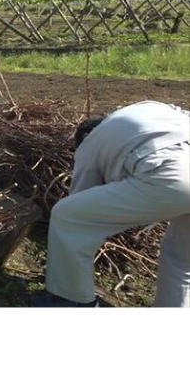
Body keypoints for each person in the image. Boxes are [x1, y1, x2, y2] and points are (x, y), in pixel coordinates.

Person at [38, 101, 190, 307]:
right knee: (181, 260)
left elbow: (79, 205)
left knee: (67, 216)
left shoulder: (90, 143)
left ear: (84, 138)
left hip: (172, 177)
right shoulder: (151, 112)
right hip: (177, 165)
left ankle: (71, 303)